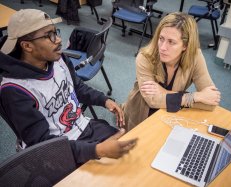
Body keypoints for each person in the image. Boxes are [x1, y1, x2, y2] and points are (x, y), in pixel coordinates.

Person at [0, 9, 137, 165]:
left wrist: (104, 100)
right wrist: (97, 150)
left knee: (128, 152)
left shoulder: (58, 59)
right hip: (55, 151)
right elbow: (42, 145)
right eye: (49, 36)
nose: (58, 40)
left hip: (82, 127)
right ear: (27, 46)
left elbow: (76, 87)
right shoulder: (14, 90)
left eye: (56, 32)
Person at [123, 12, 221, 131]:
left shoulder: (195, 56)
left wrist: (164, 92)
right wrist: (194, 97)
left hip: (172, 114)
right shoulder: (145, 57)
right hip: (142, 111)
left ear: (185, 45)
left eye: (171, 42)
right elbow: (152, 101)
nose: (163, 47)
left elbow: (211, 102)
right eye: (161, 39)